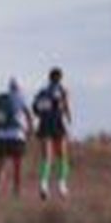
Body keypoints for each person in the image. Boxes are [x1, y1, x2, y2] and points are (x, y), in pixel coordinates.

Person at [32, 66, 73, 200]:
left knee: (46, 157)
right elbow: (66, 106)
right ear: (60, 78)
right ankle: (62, 186)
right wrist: (69, 118)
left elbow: (36, 109)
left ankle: (43, 185)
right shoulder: (62, 90)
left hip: (44, 124)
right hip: (57, 123)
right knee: (62, 155)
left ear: (49, 77)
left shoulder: (42, 91)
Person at [0, 78, 33, 198]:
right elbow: (28, 114)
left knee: (1, 163)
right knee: (17, 164)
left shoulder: (1, 99)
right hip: (17, 135)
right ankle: (16, 190)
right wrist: (30, 130)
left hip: (2, 135)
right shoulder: (20, 98)